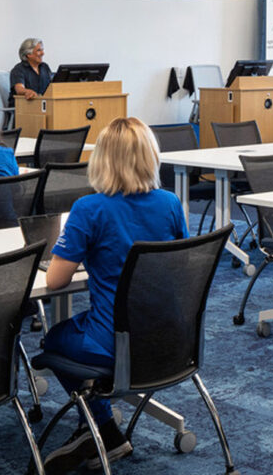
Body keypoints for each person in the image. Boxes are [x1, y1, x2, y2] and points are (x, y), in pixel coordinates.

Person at [41, 117, 188, 474]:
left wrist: (71, 254)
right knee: (78, 333)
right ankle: (102, 430)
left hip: (112, 343)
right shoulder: (170, 203)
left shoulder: (90, 208)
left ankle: (101, 427)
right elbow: (181, 266)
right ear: (151, 157)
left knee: (54, 341)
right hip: (168, 338)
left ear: (101, 159)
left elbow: (56, 282)